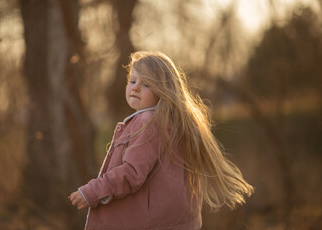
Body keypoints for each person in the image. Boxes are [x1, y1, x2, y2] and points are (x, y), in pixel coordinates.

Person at [68, 51, 254, 230]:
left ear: (162, 90)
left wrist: (92, 192)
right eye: (132, 81)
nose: (135, 87)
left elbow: (132, 173)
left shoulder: (148, 122)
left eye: (147, 84)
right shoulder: (175, 123)